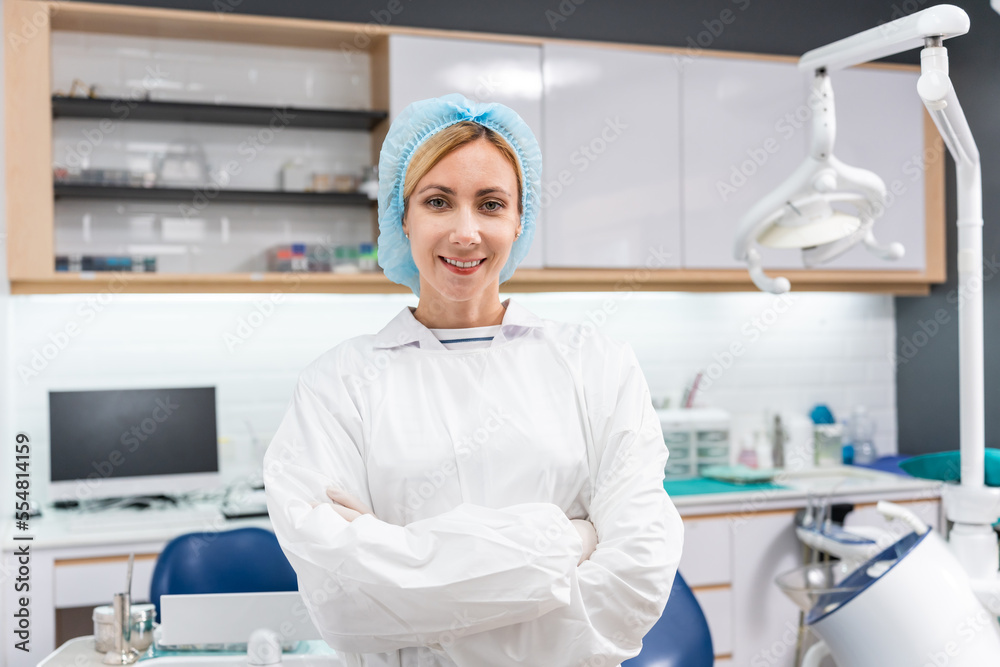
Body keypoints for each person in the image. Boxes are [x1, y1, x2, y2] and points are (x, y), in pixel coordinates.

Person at [263, 93, 684, 667]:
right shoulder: (338, 384)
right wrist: (568, 542)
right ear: (402, 216)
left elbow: (637, 582)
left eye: (490, 204)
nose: (466, 232)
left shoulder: (597, 364)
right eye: (438, 201)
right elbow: (343, 607)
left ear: (519, 220)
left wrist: (407, 579)